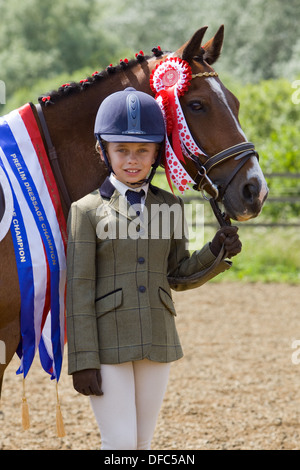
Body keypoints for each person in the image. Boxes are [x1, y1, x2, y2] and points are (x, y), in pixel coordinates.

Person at [66, 87, 241, 450]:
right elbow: (79, 290)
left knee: (143, 444)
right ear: (104, 151)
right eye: (122, 150)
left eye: (142, 150)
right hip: (107, 344)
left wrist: (215, 251)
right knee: (119, 443)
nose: (133, 160)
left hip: (158, 338)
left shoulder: (171, 206)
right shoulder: (84, 211)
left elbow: (178, 273)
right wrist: (82, 360)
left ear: (157, 154)